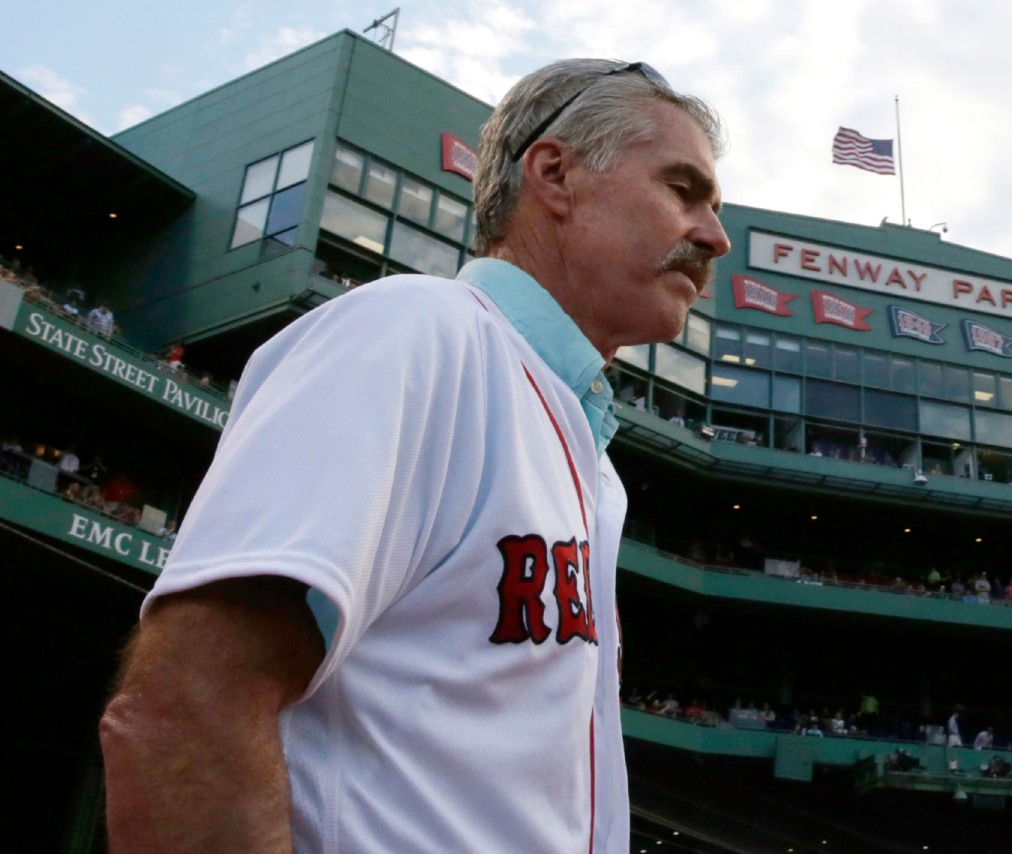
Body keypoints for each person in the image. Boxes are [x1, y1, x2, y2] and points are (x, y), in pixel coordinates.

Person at [99, 58, 730, 853]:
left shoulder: (588, 459)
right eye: (684, 190)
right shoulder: (417, 332)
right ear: (555, 174)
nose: (715, 236)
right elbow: (188, 704)